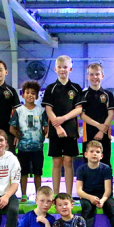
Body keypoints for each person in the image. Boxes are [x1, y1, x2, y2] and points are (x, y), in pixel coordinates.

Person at [42, 55, 83, 195]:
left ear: (70, 69)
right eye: (59, 67)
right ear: (55, 69)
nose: (62, 70)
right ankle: (56, 195)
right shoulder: (51, 88)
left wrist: (63, 119)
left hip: (70, 130)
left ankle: (69, 195)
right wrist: (57, 126)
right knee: (56, 162)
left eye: (65, 67)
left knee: (68, 162)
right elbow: (48, 109)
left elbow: (78, 109)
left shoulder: (76, 88)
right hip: (55, 131)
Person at [9, 80, 48, 202]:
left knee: (38, 173)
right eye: (27, 92)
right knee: (23, 172)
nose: (30, 95)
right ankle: (24, 195)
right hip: (22, 148)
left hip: (38, 148)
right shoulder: (18, 111)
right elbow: (11, 128)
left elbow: (46, 127)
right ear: (23, 95)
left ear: (37, 96)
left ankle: (38, 195)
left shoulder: (41, 111)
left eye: (33, 93)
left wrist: (41, 137)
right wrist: (19, 136)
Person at [79, 62, 114, 167]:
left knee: (105, 164)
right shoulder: (83, 95)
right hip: (88, 135)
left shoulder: (108, 95)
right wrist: (98, 125)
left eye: (97, 74)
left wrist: (101, 131)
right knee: (88, 165)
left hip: (104, 135)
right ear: (87, 77)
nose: (94, 77)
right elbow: (82, 115)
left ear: (102, 76)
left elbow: (111, 114)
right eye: (91, 74)